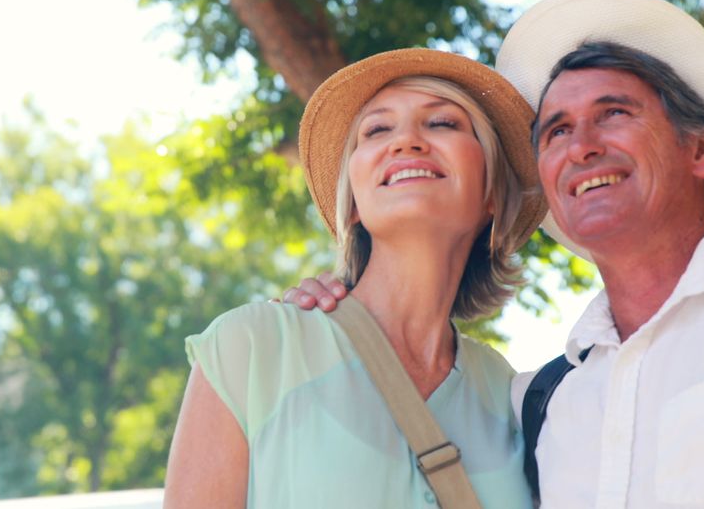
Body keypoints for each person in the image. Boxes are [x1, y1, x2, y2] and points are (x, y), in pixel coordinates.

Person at [285, 0, 704, 507]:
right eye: (556, 132)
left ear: (703, 147)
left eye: (614, 113)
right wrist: (331, 320)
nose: (581, 148)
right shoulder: (536, 405)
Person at [163, 48, 548, 508]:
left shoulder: (509, 394)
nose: (406, 141)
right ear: (355, 204)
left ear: (492, 191)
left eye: (443, 123)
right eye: (378, 129)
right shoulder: (252, 347)